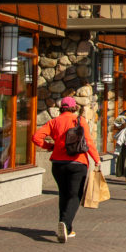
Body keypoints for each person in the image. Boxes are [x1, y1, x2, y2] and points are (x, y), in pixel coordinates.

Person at [32, 96, 101, 243]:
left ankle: (66, 227)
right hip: (77, 162)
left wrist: (50, 146)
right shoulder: (79, 120)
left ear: (61, 108)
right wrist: (96, 158)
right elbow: (88, 141)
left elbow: (36, 137)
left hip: (58, 163)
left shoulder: (53, 122)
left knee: (63, 194)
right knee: (75, 195)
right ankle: (65, 223)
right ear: (74, 107)